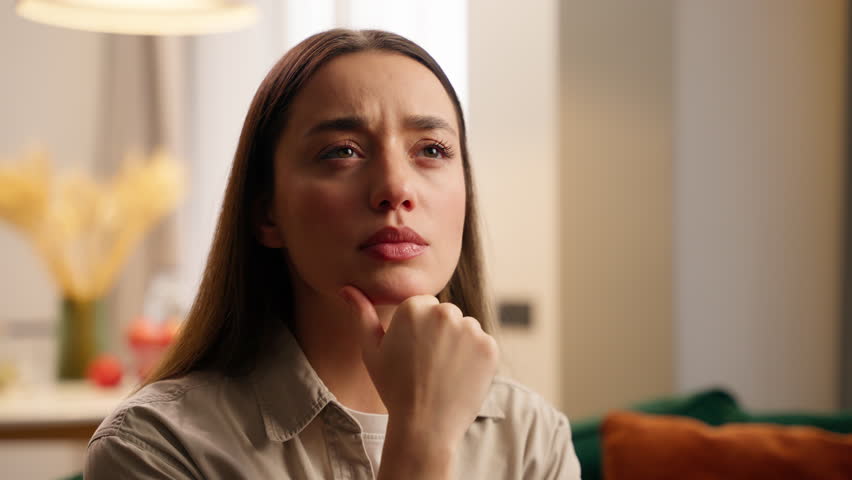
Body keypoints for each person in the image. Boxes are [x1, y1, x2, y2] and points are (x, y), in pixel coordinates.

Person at [85, 28, 582, 479]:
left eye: (431, 149)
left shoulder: (530, 438)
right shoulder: (155, 446)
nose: (396, 188)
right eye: (342, 151)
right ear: (267, 214)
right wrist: (421, 440)